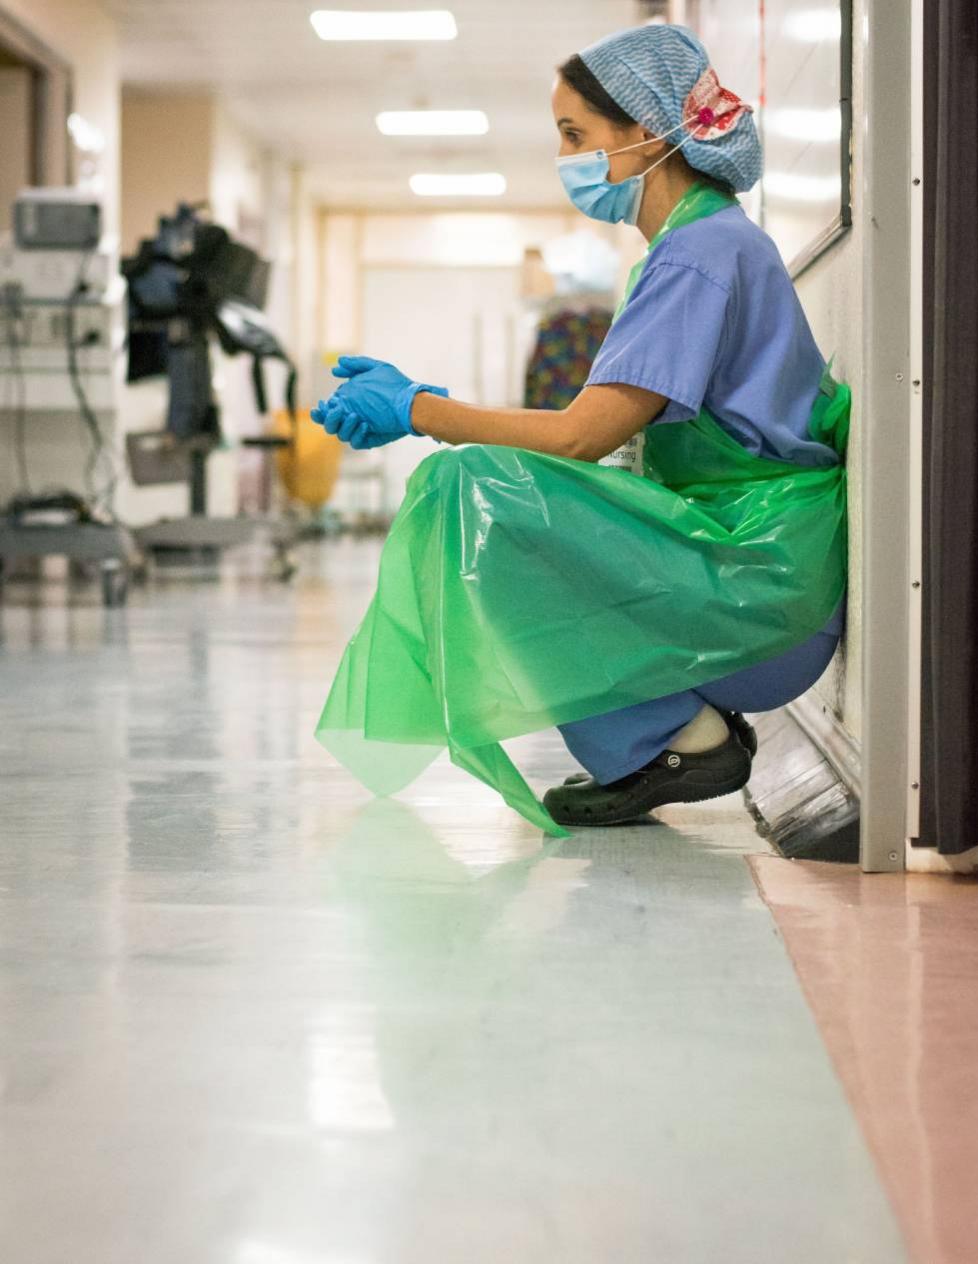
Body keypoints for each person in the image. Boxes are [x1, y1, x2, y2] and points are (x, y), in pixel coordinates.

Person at [311, 23, 848, 834]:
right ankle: (665, 730)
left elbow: (579, 437)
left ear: (645, 133)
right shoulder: (697, 247)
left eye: (576, 136)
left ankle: (671, 740)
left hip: (763, 588)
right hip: (759, 566)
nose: (567, 158)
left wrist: (420, 410)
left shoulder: (698, 255)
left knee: (472, 491)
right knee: (501, 493)